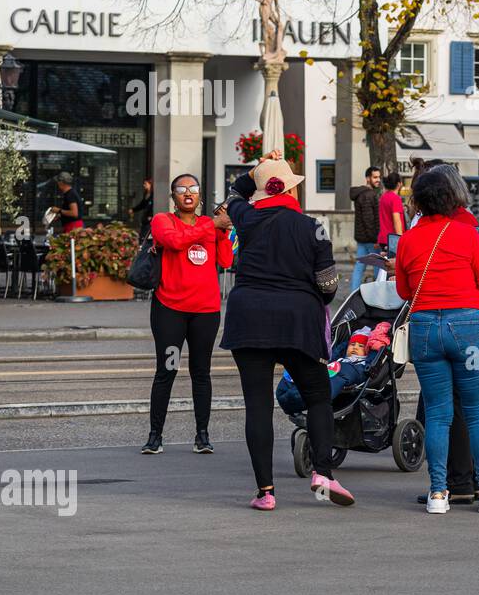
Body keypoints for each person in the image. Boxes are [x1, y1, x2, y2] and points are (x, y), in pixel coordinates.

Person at [221, 150, 351, 511]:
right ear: (291, 193)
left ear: (261, 193)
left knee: (258, 407)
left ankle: (265, 492)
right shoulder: (314, 227)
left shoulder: (245, 218)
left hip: (249, 318)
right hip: (298, 321)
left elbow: (233, 194)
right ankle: (322, 474)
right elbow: (328, 286)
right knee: (318, 397)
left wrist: (255, 172)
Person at [397, 168, 479, 514]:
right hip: (468, 325)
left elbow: (403, 290)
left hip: (426, 326)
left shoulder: (408, 240)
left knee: (439, 413)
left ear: (419, 202)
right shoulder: (466, 233)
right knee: (477, 412)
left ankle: (438, 492)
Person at [141, 174, 233, 456]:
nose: (187, 193)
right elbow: (175, 241)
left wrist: (224, 231)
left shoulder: (211, 225)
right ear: (174, 197)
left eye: (193, 188)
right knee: (167, 370)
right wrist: (211, 225)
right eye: (181, 189)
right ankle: (155, 436)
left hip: (205, 311)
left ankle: (202, 435)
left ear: (200, 195)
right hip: (170, 310)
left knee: (201, 373)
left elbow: (227, 260)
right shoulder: (163, 221)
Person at [349, 166, 382, 290]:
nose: (378, 180)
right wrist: (375, 239)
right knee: (378, 266)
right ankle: (378, 293)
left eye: (379, 177)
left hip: (361, 237)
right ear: (368, 178)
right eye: (375, 177)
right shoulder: (369, 195)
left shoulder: (361, 194)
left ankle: (353, 293)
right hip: (370, 238)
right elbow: (369, 220)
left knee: (359, 266)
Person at [378, 171, 407, 255]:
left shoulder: (383, 197)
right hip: (393, 239)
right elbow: (397, 221)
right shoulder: (396, 199)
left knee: (385, 265)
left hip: (383, 238)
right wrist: (400, 240)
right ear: (399, 184)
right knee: (393, 266)